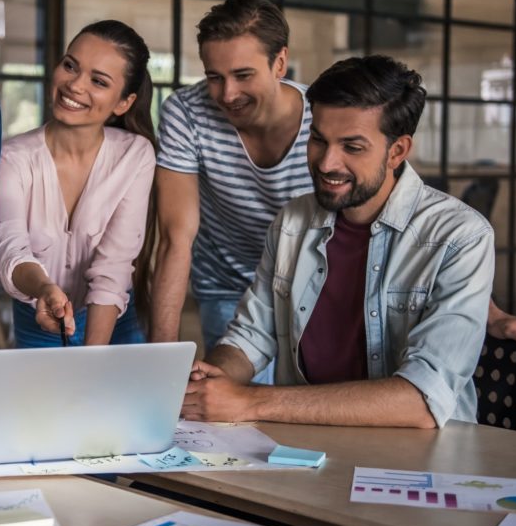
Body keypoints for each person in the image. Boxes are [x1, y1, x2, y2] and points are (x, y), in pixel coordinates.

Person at [151, 0, 516, 352]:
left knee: (300, 400)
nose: (227, 94)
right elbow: (175, 236)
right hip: (227, 283)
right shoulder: (186, 113)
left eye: (243, 75)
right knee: (230, 407)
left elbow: (403, 208)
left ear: (280, 63)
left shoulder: (328, 116)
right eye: (214, 76)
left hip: (310, 277)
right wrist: (161, 356)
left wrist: (487, 312)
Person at [183, 55, 492, 428]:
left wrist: (251, 403)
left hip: (419, 460)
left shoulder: (461, 237)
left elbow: (422, 400)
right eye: (319, 140)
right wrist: (212, 383)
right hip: (307, 447)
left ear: (397, 151)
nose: (327, 163)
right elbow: (252, 335)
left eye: (352, 147)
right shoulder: (292, 221)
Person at [0, 21, 156, 347]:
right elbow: (10, 247)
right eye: (70, 66)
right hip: (38, 319)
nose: (75, 85)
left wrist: (90, 362)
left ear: (124, 102)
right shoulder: (12, 158)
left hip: (114, 322)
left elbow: (114, 266)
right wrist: (43, 289)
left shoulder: (135, 155)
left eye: (98, 81)